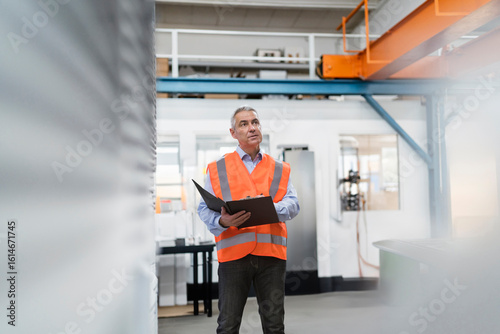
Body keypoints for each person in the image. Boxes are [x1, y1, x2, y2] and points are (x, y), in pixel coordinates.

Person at [197, 105, 300, 334]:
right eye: (244, 124)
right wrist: (223, 222)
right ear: (234, 133)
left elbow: (294, 204)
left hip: (271, 257)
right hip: (234, 258)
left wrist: (270, 209)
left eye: (255, 122)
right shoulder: (217, 168)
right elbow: (204, 208)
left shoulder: (279, 168)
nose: (252, 128)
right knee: (228, 325)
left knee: (274, 325)